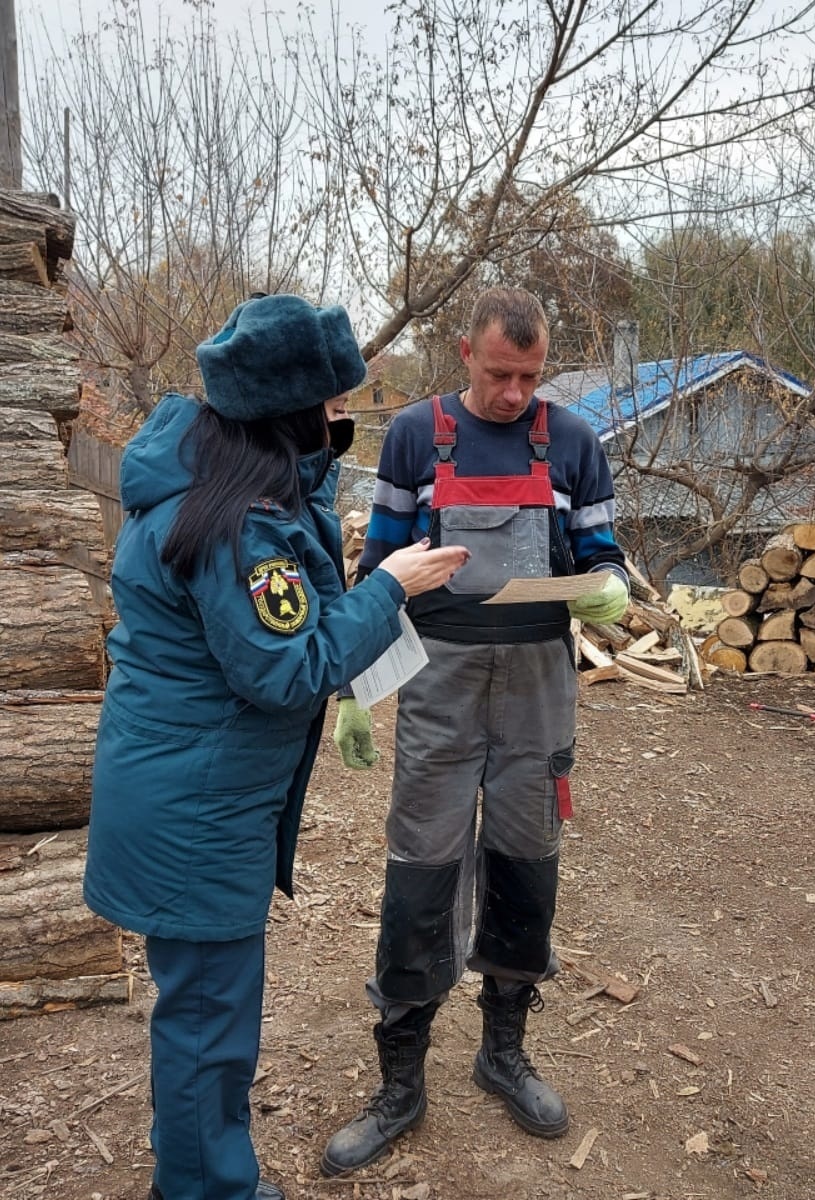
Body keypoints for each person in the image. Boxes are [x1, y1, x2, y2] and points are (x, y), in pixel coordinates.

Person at [82, 293, 469, 1200]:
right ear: (287, 411)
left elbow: (284, 625)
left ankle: (199, 1177)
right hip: (196, 815)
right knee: (210, 1031)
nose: (343, 421)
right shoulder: (237, 523)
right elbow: (286, 672)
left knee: (201, 1021)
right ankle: (208, 1189)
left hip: (191, 794)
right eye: (334, 407)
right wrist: (392, 589)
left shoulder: (220, 481)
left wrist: (355, 571)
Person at [321, 287, 630, 1176]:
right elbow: (379, 566)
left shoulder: (572, 442)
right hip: (439, 679)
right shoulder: (417, 436)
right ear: (466, 353)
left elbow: (600, 552)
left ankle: (502, 1049)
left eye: (530, 376)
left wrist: (607, 584)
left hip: (539, 682)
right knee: (422, 867)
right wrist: (352, 686)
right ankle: (401, 1078)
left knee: (528, 862)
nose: (513, 392)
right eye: (500, 373)